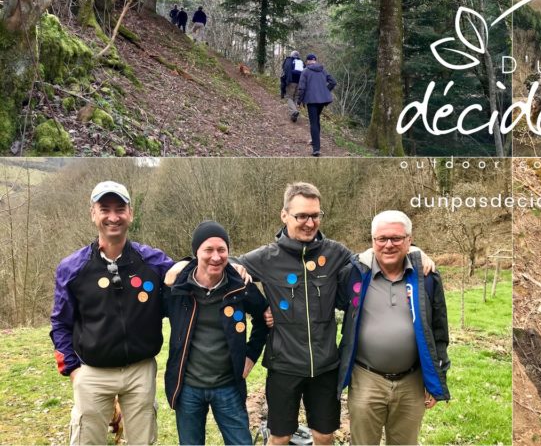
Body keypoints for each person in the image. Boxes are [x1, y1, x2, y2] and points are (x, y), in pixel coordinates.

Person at [162, 183, 432, 445]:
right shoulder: (266, 257)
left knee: (324, 437)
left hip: (325, 366)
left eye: (315, 216)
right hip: (284, 367)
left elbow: (376, 256)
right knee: (279, 437)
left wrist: (415, 252)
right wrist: (186, 263)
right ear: (284, 215)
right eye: (301, 215)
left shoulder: (335, 253)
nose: (309, 222)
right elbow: (223, 260)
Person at [50, 181, 175, 445]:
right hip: (92, 373)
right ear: (93, 214)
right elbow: (60, 323)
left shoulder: (153, 261)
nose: (113, 217)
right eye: (104, 209)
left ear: (131, 213)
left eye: (120, 209)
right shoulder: (72, 268)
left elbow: (191, 274)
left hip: (140, 371)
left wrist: (236, 269)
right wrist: (73, 370)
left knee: (143, 441)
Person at [336, 211, 450, 446]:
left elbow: (439, 332)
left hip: (411, 380)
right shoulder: (354, 275)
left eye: (396, 239)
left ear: (409, 240)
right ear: (372, 241)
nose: (389, 245)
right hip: (366, 378)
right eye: (382, 239)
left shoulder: (426, 278)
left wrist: (437, 376)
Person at [164, 221, 269, 445]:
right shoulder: (177, 288)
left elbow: (263, 318)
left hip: (228, 386)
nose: (216, 256)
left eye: (222, 250)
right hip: (188, 389)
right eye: (208, 250)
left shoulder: (240, 285)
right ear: (196, 253)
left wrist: (251, 355)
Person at [297, 54, 336, 157]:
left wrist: (299, 101)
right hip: (322, 101)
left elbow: (301, 88)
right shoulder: (322, 70)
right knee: (316, 120)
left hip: (311, 100)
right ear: (315, 61)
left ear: (308, 61)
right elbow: (333, 82)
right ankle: (315, 141)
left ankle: (316, 149)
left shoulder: (305, 71)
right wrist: (325, 91)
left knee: (313, 122)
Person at [280, 50, 304, 122]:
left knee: (289, 97)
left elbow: (284, 70)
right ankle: (294, 115)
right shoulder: (301, 62)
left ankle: (294, 111)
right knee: (296, 97)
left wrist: (284, 83)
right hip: (299, 82)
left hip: (291, 82)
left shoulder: (289, 60)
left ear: (291, 55)